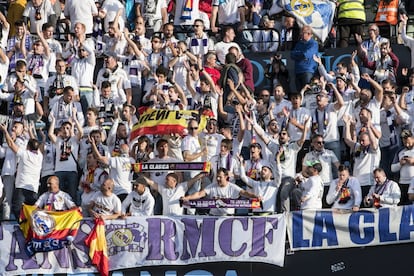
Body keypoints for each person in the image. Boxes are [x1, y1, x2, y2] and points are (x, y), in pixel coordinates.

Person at [0, 124, 43, 219]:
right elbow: (35, 143)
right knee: (31, 213)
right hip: (34, 190)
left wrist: (5, 131)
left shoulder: (25, 154)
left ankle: (21, 229)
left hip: (22, 188)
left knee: (18, 211)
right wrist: (31, 132)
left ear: (27, 146)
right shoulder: (40, 156)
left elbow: (11, 144)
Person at [181, 167, 260, 216]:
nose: (218, 179)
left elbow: (244, 193)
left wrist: (255, 197)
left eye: (220, 177)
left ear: (226, 177)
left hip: (227, 217)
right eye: (217, 177)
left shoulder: (232, 187)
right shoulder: (212, 186)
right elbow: (199, 194)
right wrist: (186, 198)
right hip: (213, 216)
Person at [303, 134, 340, 208]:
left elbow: (339, 167)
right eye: (319, 142)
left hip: (327, 184)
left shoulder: (329, 153)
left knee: (327, 207)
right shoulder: (308, 156)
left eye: (323, 142)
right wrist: (312, 177)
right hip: (315, 185)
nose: (321, 144)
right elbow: (304, 171)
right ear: (312, 143)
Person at [290, 25, 318, 91]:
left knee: (308, 92)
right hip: (298, 71)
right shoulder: (299, 44)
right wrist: (302, 55)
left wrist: (299, 55)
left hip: (308, 72)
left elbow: (307, 54)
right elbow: (292, 55)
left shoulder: (313, 44)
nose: (301, 34)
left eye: (303, 33)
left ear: (309, 34)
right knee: (299, 94)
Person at [391, 129, 414, 205]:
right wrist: (400, 164)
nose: (406, 143)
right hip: (402, 183)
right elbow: (392, 168)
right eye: (404, 140)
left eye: (407, 140)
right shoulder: (400, 151)